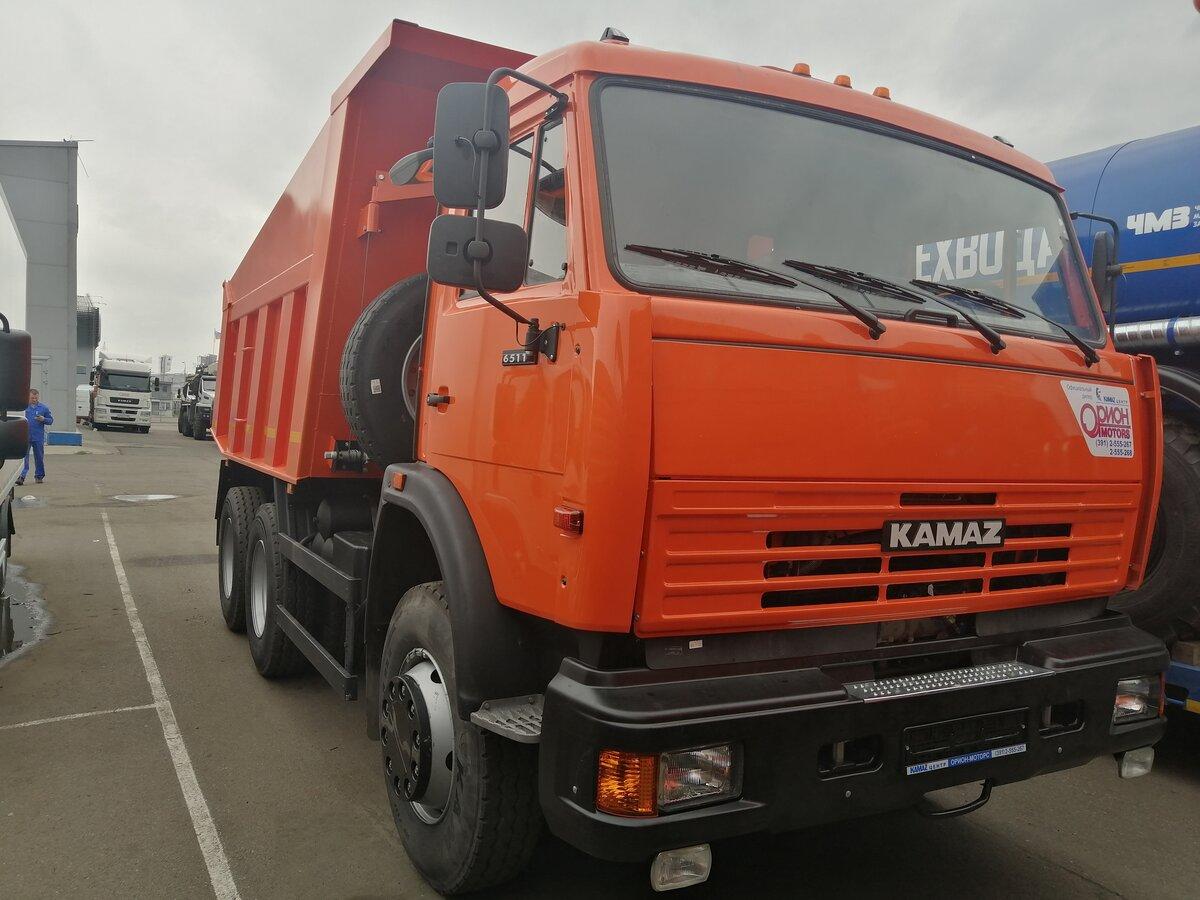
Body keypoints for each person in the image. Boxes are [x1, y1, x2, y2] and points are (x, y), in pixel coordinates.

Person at [18, 389, 53, 486]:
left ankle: (39, 476)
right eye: (32, 398)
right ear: (28, 397)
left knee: (39, 457)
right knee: (24, 458)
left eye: (36, 398)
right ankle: (21, 476)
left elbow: (50, 420)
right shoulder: (23, 408)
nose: (34, 400)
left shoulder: (43, 408)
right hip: (25, 436)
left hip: (38, 436)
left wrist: (43, 419)